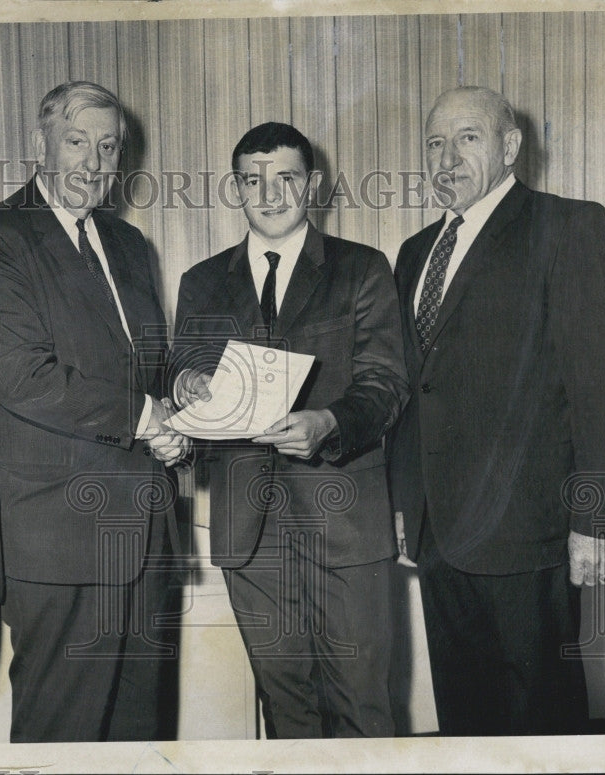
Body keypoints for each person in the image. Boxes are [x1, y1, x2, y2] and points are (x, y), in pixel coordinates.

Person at [388, 86, 605, 735]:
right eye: (434, 142)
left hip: (529, 531)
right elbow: (414, 391)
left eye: (468, 138)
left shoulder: (569, 226)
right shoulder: (415, 252)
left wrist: (599, 517)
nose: (446, 156)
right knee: (464, 720)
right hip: (440, 534)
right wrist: (403, 505)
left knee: (541, 724)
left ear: (510, 147)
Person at [0, 81, 187, 743]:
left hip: (145, 536)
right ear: (39, 145)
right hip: (60, 540)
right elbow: (23, 377)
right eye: (77, 141)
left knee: (140, 738)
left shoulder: (130, 244)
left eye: (108, 146)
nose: (93, 160)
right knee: (63, 737)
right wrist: (146, 417)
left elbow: (149, 368)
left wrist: (184, 398)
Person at [171, 122, 410, 738]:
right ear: (236, 189)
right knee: (286, 713)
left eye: (285, 179)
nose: (269, 195)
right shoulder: (201, 281)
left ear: (314, 185)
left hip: (345, 526)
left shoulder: (362, 269)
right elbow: (183, 371)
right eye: (253, 181)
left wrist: (330, 422)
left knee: (364, 708)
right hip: (248, 533)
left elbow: (386, 386)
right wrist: (186, 388)